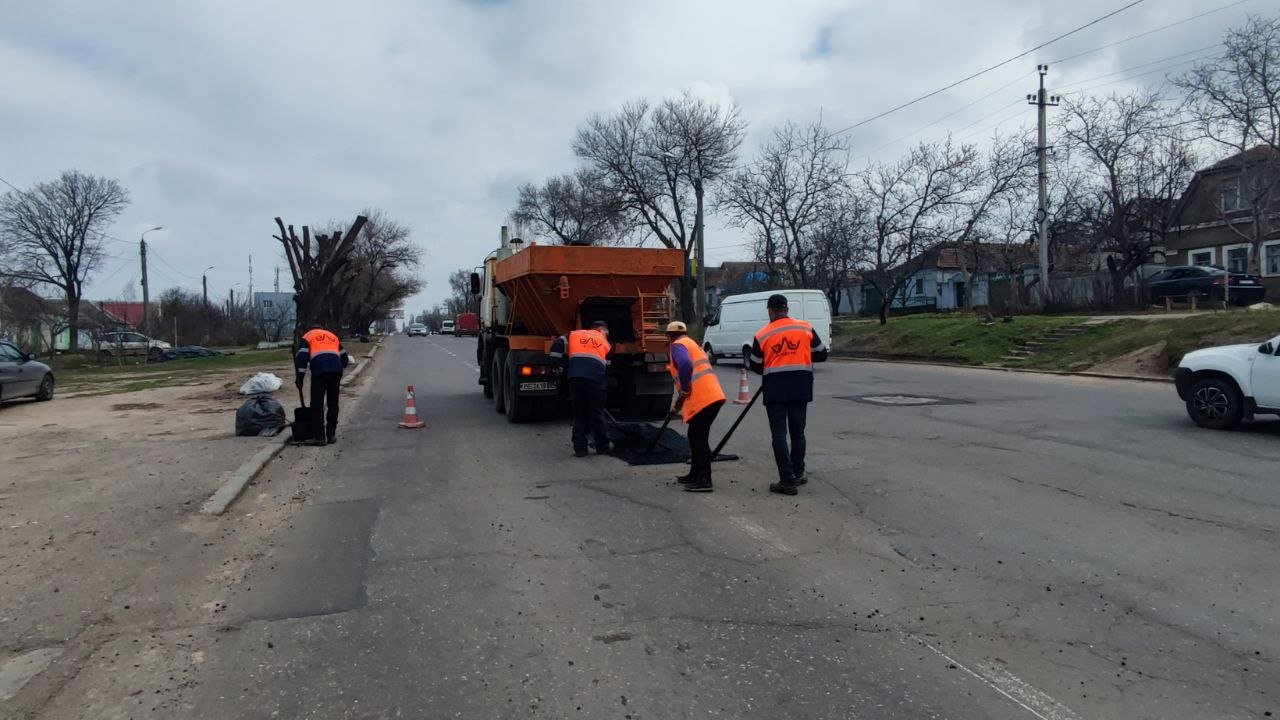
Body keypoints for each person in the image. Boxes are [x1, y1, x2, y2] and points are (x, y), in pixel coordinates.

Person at [748, 294, 828, 495]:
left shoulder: (762, 335)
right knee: (798, 433)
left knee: (779, 435)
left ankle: (787, 480)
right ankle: (798, 473)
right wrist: (799, 354)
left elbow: (755, 365)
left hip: (775, 389)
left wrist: (775, 360)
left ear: (770, 311)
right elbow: (821, 353)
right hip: (800, 386)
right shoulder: (805, 327)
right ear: (787, 309)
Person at [665, 321, 727, 493]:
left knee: (698, 439)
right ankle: (695, 474)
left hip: (704, 399)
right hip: (711, 396)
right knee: (695, 437)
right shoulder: (691, 343)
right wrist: (680, 401)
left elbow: (684, 365)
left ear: (669, 336)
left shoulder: (677, 346)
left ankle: (704, 480)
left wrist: (685, 389)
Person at [550, 320, 611, 457]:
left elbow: (558, 343)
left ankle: (580, 448)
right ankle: (602, 446)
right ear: (602, 330)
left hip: (575, 378)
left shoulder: (574, 335)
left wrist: (557, 365)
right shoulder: (605, 342)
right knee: (597, 412)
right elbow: (605, 367)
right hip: (595, 379)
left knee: (579, 412)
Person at [295, 324, 351, 446]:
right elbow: (345, 358)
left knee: (317, 404)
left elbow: (302, 358)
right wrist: (338, 369)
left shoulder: (308, 336)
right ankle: (331, 435)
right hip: (336, 371)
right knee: (333, 403)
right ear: (322, 329)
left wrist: (300, 378)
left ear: (311, 329)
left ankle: (319, 437)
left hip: (320, 371)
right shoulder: (332, 336)